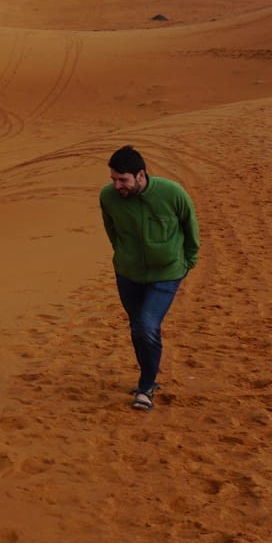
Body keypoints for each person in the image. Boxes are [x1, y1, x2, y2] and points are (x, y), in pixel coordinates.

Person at [99, 146, 198, 411]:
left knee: (146, 325)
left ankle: (145, 387)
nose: (117, 186)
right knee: (138, 328)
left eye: (123, 180)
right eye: (113, 179)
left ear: (140, 175)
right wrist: (124, 255)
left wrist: (188, 261)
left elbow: (189, 225)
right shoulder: (108, 197)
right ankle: (149, 378)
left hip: (166, 273)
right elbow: (112, 230)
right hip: (128, 273)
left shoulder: (172, 193)